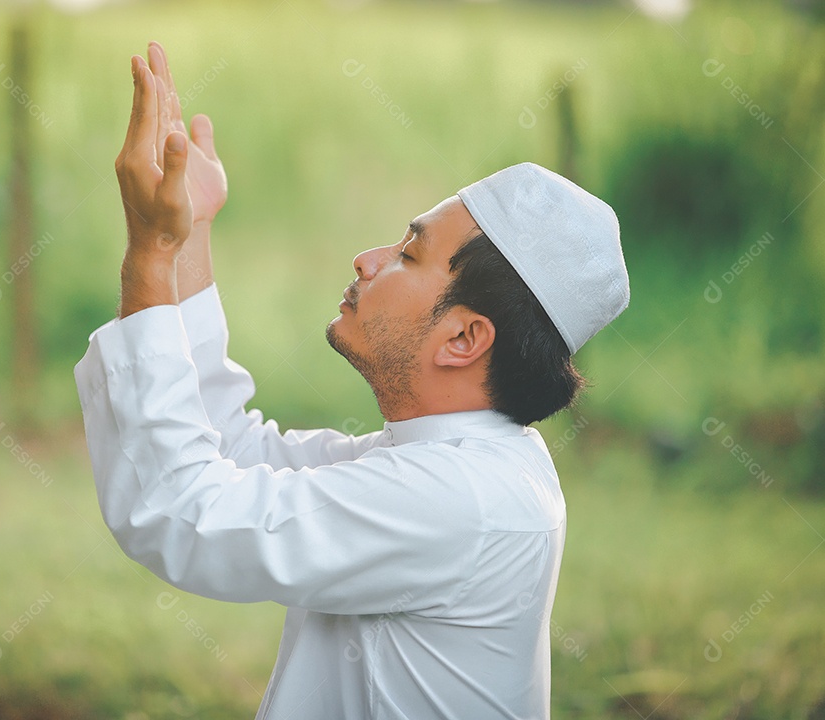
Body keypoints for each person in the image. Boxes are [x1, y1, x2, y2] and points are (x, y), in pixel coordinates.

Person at [74, 42, 630, 720]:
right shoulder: (454, 460)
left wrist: (149, 252)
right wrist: (188, 236)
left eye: (408, 253)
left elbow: (187, 514)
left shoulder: (460, 498)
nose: (368, 260)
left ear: (463, 337)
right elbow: (231, 453)